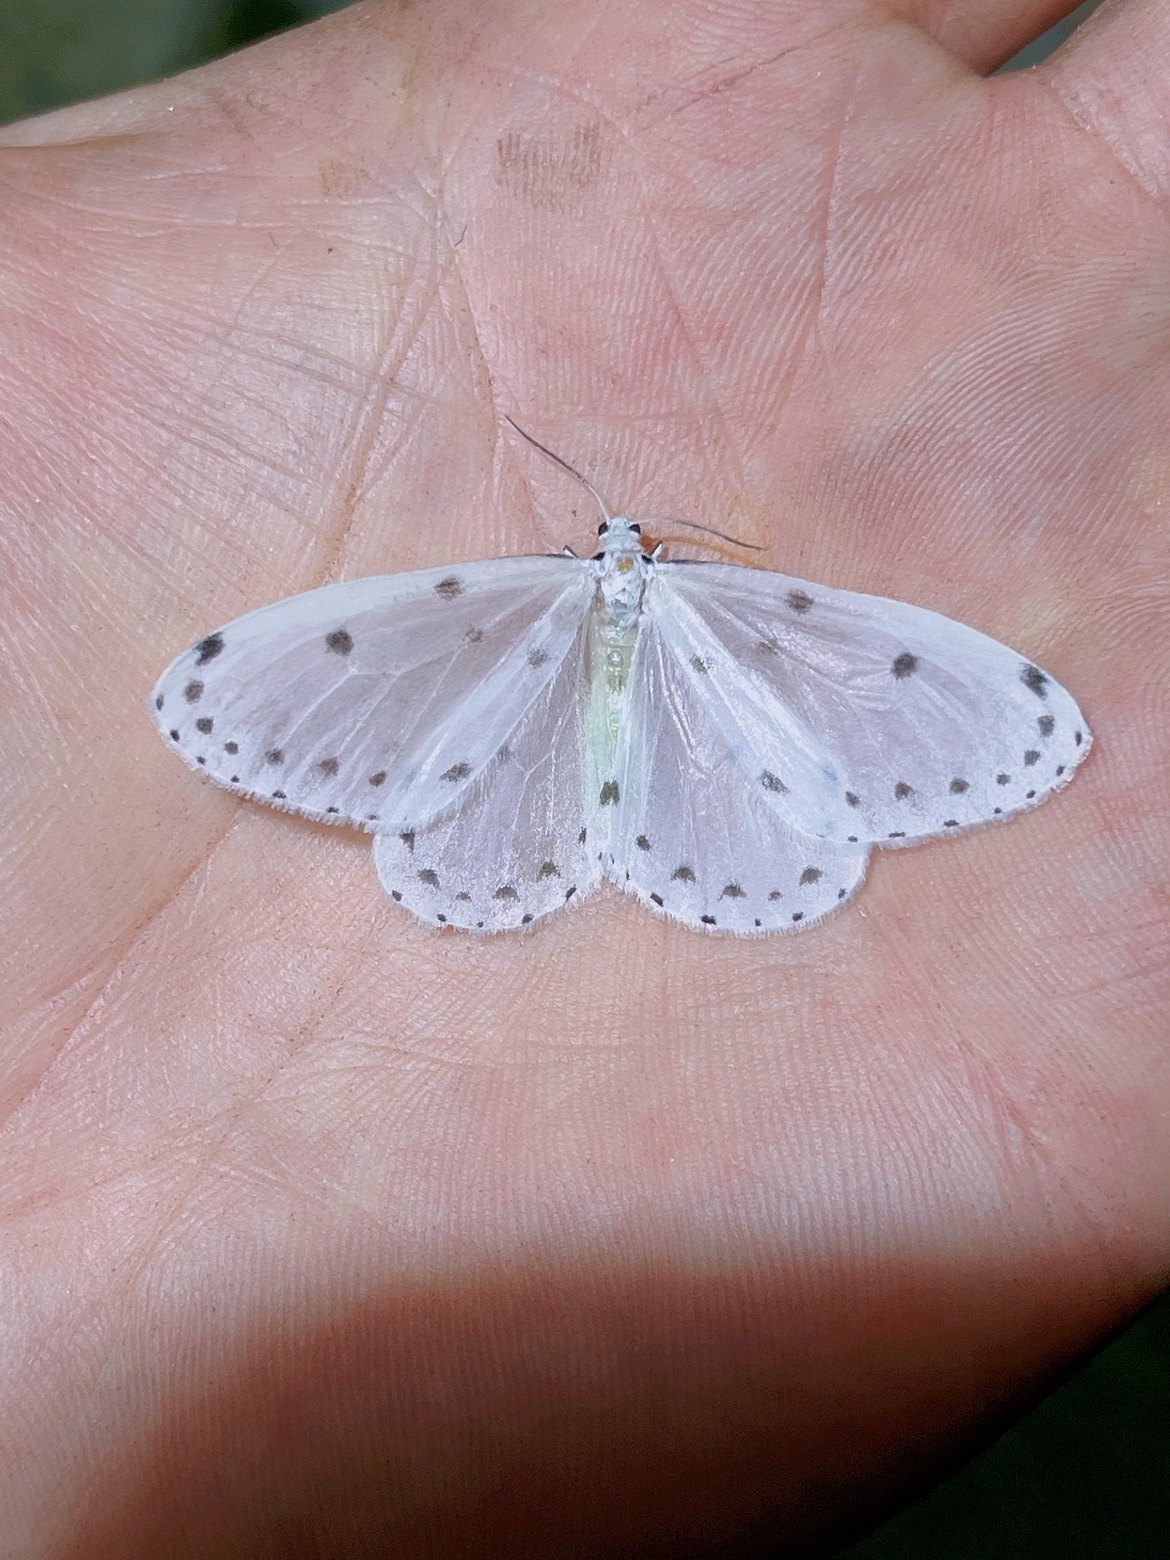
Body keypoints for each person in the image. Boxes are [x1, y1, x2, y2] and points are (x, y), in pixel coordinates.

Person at [1, 0, 1166, 1553]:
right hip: (551, 736)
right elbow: (281, 686)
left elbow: (948, 700)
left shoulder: (691, 611)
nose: (621, 552)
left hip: (623, 714)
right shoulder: (490, 609)